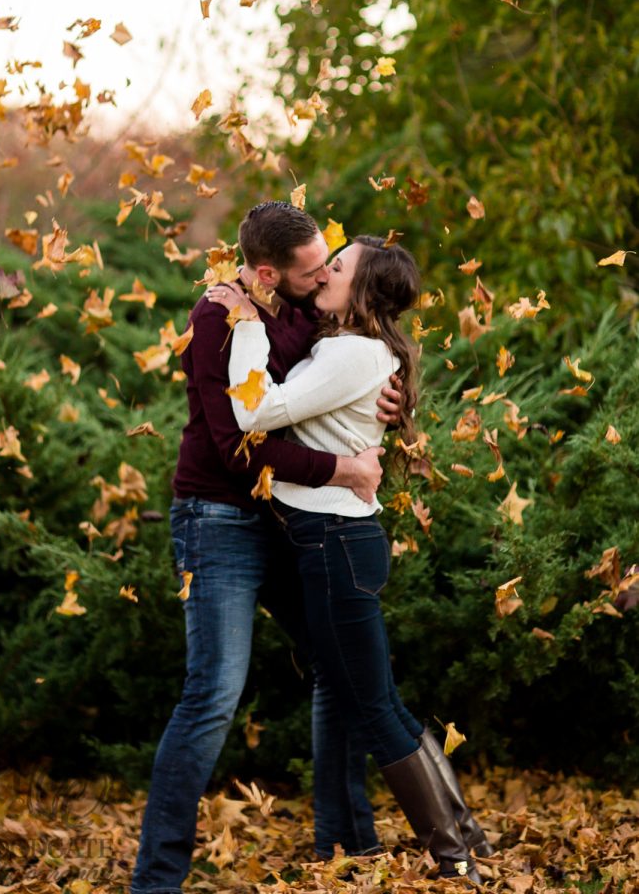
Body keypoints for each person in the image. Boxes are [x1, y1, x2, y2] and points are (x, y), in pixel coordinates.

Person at [131, 203, 402, 894]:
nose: (322, 280)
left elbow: (337, 377)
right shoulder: (220, 316)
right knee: (213, 694)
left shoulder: (309, 308)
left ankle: (345, 843)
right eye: (310, 271)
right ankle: (156, 880)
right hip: (217, 517)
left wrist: (386, 397)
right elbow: (236, 443)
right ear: (265, 272)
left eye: (326, 265)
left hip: (287, 518)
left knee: (334, 669)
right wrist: (340, 470)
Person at [207, 235, 493, 884]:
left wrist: (246, 323)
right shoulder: (360, 348)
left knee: (373, 705)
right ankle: (412, 837)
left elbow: (255, 409)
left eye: (337, 267)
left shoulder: (349, 351)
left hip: (334, 541)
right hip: (335, 539)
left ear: (361, 290)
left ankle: (454, 856)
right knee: (362, 696)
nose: (325, 272)